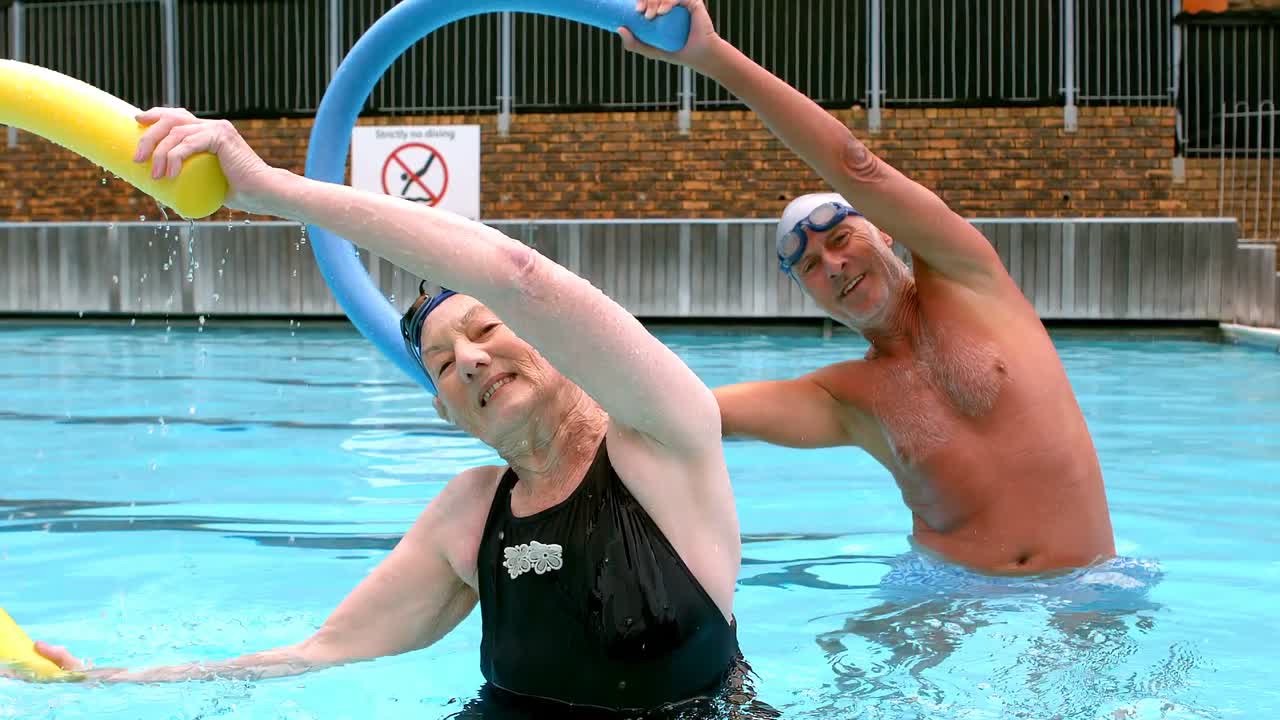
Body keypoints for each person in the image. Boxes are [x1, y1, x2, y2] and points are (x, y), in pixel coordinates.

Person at [5, 108, 748, 716]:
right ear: (448, 415)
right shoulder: (469, 515)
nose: (470, 359)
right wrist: (100, 683)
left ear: (550, 339)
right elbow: (319, 653)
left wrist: (272, 190)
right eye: (443, 364)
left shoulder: (663, 441)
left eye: (487, 328)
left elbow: (518, 274)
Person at [622, 0, 1116, 574]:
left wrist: (710, 55)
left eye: (841, 238)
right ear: (808, 296)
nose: (832, 265)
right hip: (945, 598)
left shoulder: (968, 277)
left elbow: (857, 165)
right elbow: (691, 411)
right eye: (810, 266)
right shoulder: (847, 399)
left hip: (1088, 591)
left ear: (884, 232)